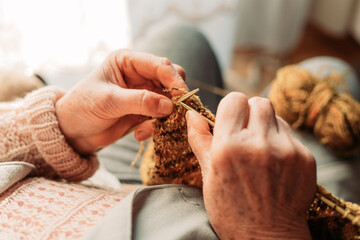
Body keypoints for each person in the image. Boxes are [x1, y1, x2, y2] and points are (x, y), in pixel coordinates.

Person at [0, 22, 327, 240]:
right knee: (328, 71)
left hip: (95, 184)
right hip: (218, 225)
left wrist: (55, 128)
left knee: (179, 36)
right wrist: (268, 228)